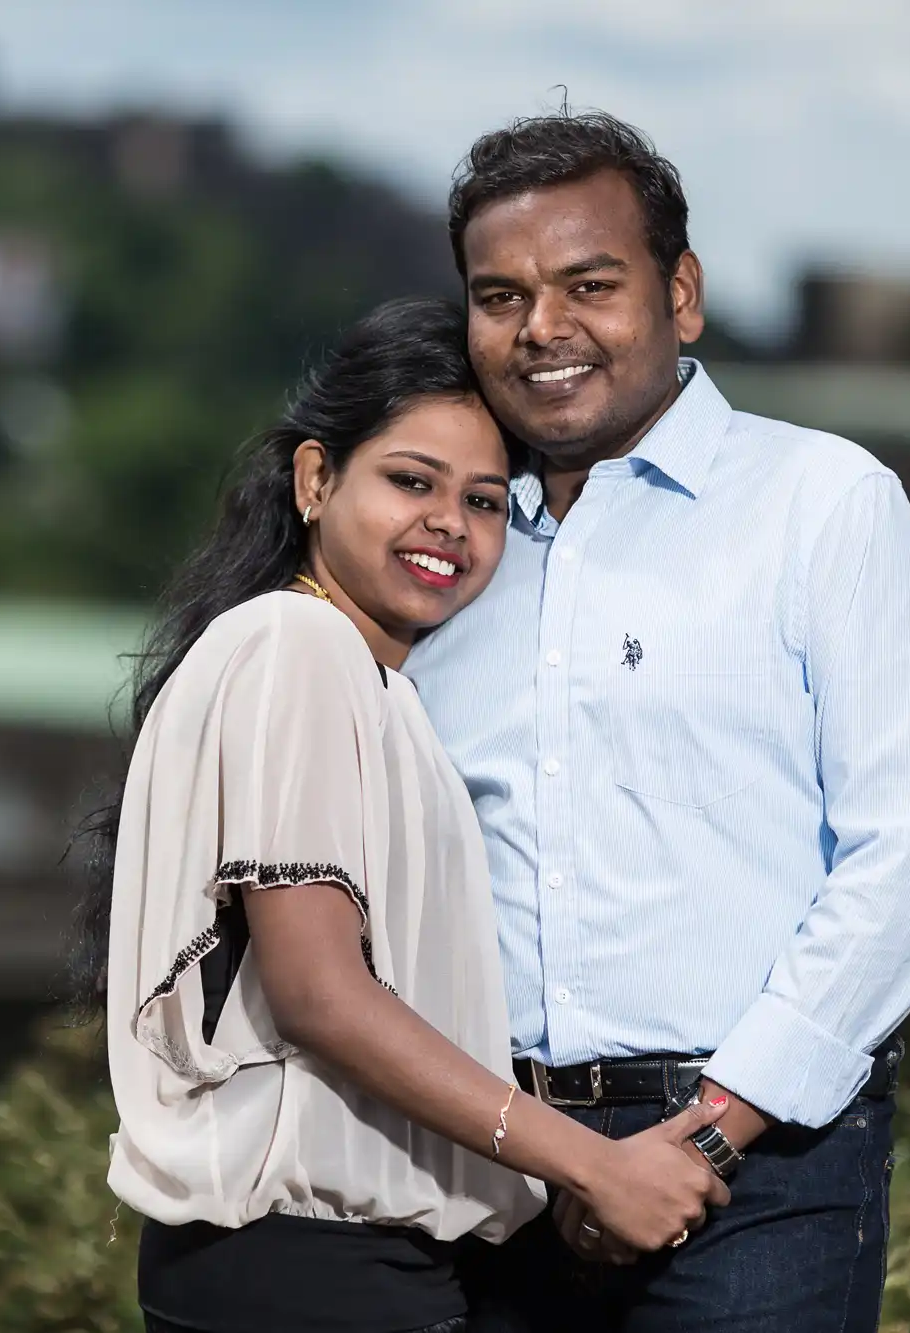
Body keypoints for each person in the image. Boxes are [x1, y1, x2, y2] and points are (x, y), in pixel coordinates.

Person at [403, 111, 910, 1332]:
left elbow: (907, 854)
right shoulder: (453, 550)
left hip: (764, 1169)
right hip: (492, 1173)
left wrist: (714, 1130)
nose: (541, 328)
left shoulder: (823, 506)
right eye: (498, 295)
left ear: (681, 295)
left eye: (588, 285)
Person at [79, 297, 731, 1333]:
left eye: (482, 501)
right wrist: (588, 1164)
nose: (448, 525)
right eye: (408, 481)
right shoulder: (301, 650)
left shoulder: (361, 678)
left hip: (305, 1268)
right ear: (312, 479)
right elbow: (318, 993)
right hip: (311, 1270)